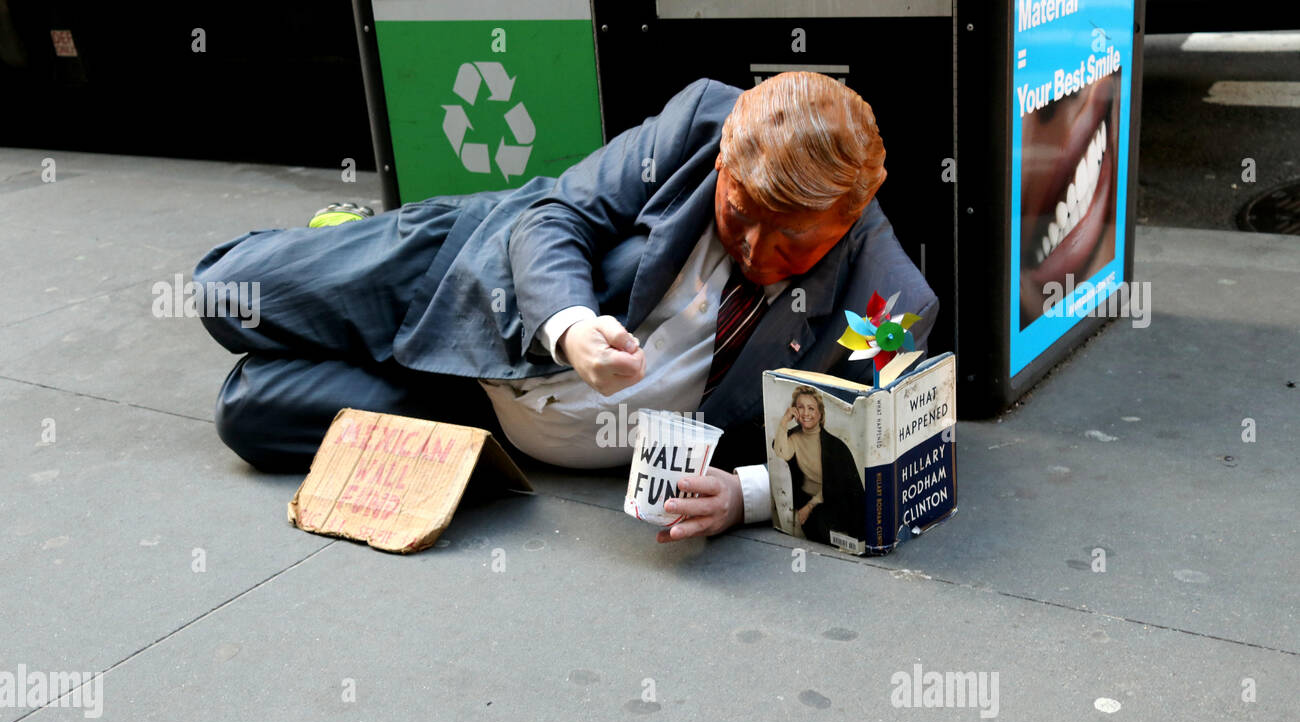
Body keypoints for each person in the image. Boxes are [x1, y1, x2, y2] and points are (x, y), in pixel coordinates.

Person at [195, 71, 938, 543]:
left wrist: (746, 496)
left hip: (484, 415)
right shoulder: (704, 119)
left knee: (251, 412)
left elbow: (881, 448)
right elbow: (554, 216)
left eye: (789, 240)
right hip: (469, 280)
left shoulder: (890, 301)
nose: (750, 244)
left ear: (852, 213)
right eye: (738, 209)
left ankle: (389, 350)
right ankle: (360, 239)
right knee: (225, 291)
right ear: (723, 162)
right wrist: (573, 325)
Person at [772, 386, 865, 545]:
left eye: (811, 408)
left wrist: (809, 507)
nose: (806, 413)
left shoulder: (834, 446)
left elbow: (837, 485)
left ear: (820, 414)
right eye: (801, 407)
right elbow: (781, 452)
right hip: (809, 500)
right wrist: (783, 422)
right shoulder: (794, 438)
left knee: (824, 528)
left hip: (834, 500)